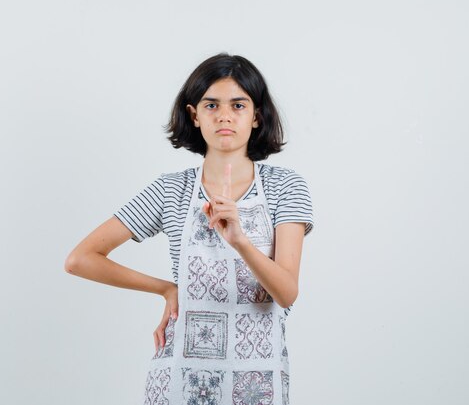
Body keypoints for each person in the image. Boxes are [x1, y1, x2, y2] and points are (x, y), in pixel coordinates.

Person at [64, 53, 314, 405]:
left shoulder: (285, 188)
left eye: (238, 105)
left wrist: (240, 241)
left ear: (257, 116)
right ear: (194, 115)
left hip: (259, 383)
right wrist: (167, 289)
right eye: (211, 105)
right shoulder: (171, 190)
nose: (224, 115)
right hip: (179, 378)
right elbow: (80, 259)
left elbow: (286, 293)